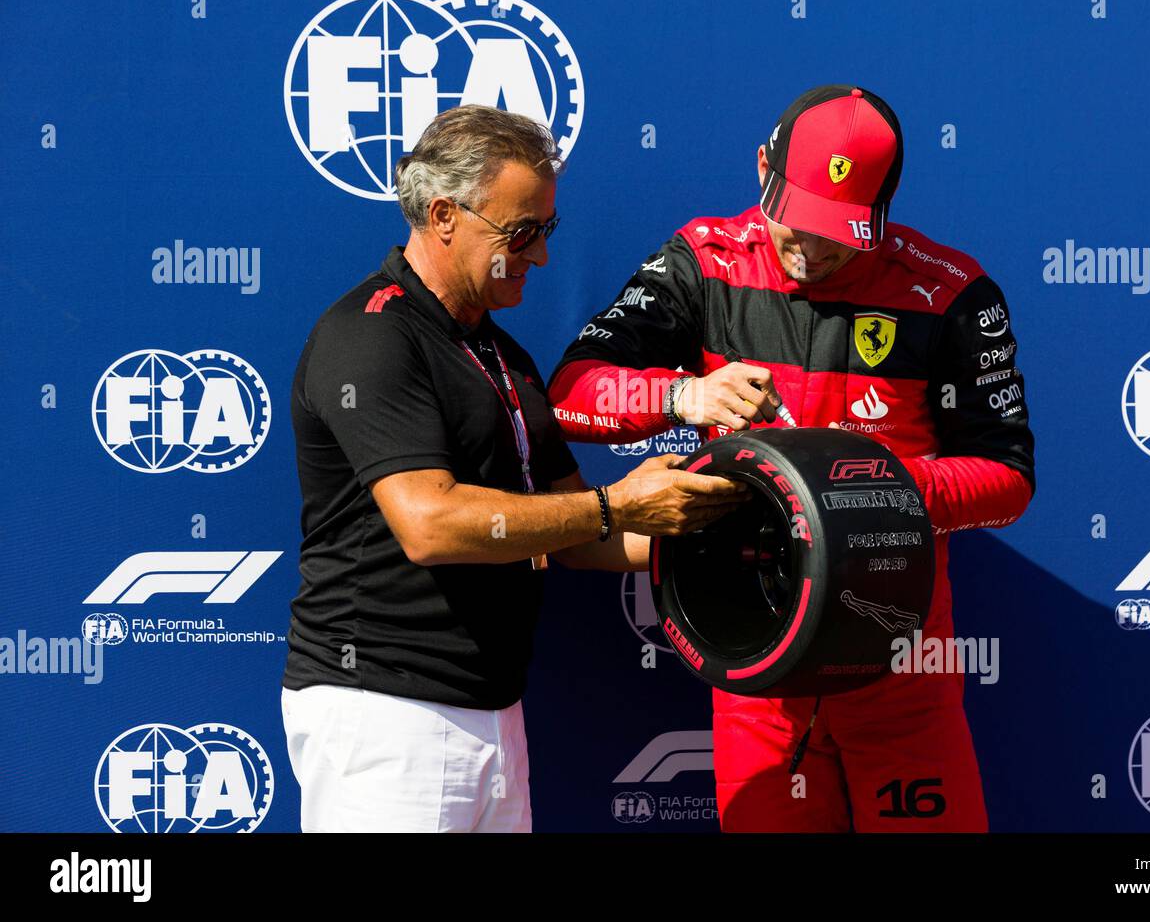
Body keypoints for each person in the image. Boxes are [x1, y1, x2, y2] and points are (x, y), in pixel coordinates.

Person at [547, 85, 1036, 832]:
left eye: (839, 232)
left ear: (882, 208)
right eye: (794, 222)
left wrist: (879, 492)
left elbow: (1010, 481)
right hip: (757, 674)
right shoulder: (704, 262)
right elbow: (571, 395)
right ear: (761, 169)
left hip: (901, 671)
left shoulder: (952, 294)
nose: (809, 249)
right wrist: (686, 399)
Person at [281, 105, 748, 833]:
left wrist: (709, 519)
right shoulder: (371, 335)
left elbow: (579, 538)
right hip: (383, 713)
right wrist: (616, 505)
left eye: (547, 231)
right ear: (443, 214)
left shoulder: (506, 358)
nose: (540, 256)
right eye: (521, 233)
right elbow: (428, 523)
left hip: (494, 713)